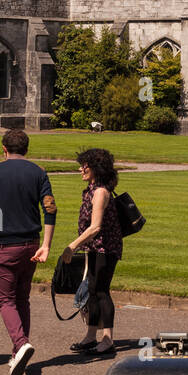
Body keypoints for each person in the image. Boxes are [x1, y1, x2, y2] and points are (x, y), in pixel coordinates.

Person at [0, 129, 56, 375]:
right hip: (31, 243)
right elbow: (50, 210)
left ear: (4, 148)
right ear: (26, 148)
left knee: (5, 300)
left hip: (7, 243)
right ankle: (18, 352)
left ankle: (21, 343)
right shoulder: (39, 172)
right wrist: (45, 244)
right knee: (22, 298)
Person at [60, 148, 122, 359]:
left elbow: (95, 227)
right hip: (95, 247)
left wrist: (72, 246)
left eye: (84, 165)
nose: (80, 169)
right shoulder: (91, 189)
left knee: (102, 290)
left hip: (106, 248)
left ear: (95, 168)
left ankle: (108, 339)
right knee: (93, 291)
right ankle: (90, 336)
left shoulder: (100, 192)